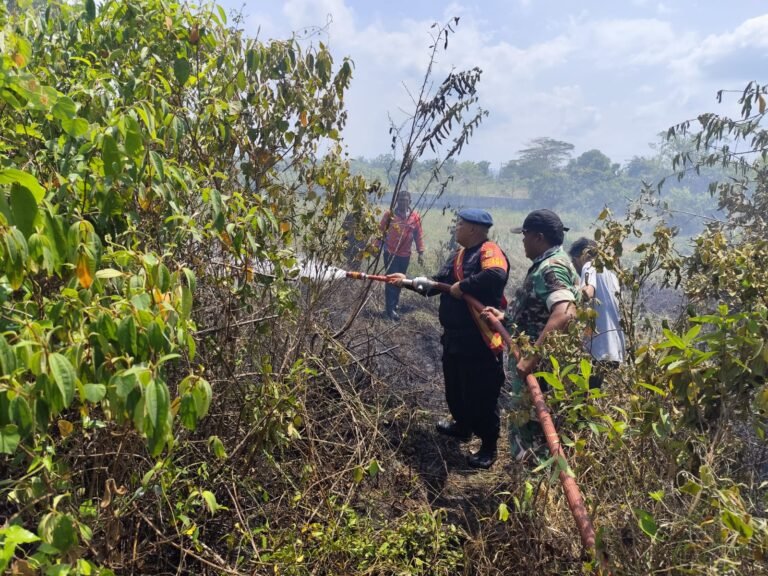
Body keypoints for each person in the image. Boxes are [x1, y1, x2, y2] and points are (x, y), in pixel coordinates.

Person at [390, 208, 509, 469]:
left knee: (482, 394)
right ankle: (462, 426)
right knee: (456, 387)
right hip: (455, 338)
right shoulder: (459, 256)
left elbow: (495, 275)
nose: (456, 228)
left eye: (460, 224)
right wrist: (408, 282)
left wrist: (463, 287)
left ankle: (488, 446)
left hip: (480, 339)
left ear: (474, 229)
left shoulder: (488, 250)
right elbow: (436, 284)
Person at [483, 209, 580, 461]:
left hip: (539, 368)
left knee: (532, 430)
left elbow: (565, 312)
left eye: (525, 235)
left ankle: (532, 487)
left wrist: (531, 358)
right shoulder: (551, 263)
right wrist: (507, 318)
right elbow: (542, 309)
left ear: (538, 237)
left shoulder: (551, 267)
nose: (522, 241)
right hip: (537, 361)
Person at [568, 237, 626, 388]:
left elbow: (588, 292)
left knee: (583, 395)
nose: (576, 269)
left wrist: (569, 296)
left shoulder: (589, 266)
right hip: (615, 349)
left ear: (578, 258)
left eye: (574, 264)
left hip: (597, 348)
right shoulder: (612, 276)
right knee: (594, 394)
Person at [378, 190, 425, 321]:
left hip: (405, 255)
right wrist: (375, 247)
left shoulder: (414, 217)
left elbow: (418, 235)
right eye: (401, 200)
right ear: (397, 201)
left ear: (410, 202)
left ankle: (395, 304)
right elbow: (381, 231)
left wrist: (421, 252)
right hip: (390, 253)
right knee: (391, 280)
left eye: (406, 200)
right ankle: (390, 310)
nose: (403, 202)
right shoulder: (389, 215)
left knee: (401, 280)